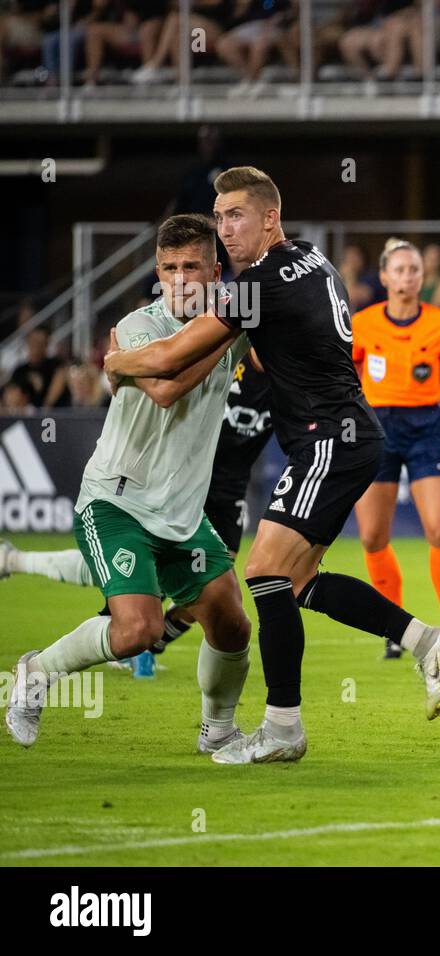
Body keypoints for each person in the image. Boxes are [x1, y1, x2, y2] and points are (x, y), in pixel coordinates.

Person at [102, 167, 440, 765]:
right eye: (218, 217)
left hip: (329, 440)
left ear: (270, 216)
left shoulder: (260, 283)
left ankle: (283, 728)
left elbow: (171, 355)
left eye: (235, 215)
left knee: (264, 570)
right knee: (294, 583)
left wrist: (118, 363)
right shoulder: (312, 259)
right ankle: (426, 641)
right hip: (343, 437)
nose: (224, 228)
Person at [5, 214, 253, 754]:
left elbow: (276, 357)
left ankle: (219, 732)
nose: (181, 278)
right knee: (137, 631)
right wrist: (236, 326)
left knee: (232, 625)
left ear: (215, 271)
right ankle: (36, 671)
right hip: (117, 502)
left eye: (192, 266)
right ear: (158, 273)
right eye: (170, 268)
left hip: (183, 515)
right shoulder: (140, 328)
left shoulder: (233, 326)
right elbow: (166, 388)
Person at [351, 238, 440, 658]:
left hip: (426, 428)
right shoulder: (362, 324)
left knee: (439, 530)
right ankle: (396, 627)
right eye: (399, 270)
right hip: (376, 428)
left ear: (422, 276)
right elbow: (345, 378)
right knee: (371, 537)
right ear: (384, 277)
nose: (407, 276)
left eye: (414, 269)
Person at [7, 326, 69, 409]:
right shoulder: (20, 370)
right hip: (24, 413)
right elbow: (11, 394)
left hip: (51, 414)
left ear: (47, 344)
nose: (36, 346)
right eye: (33, 342)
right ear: (28, 343)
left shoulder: (56, 365)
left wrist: (45, 408)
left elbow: (60, 380)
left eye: (40, 342)